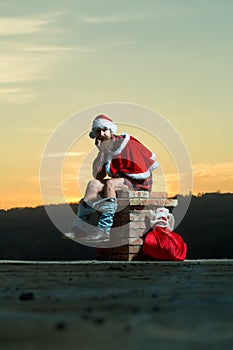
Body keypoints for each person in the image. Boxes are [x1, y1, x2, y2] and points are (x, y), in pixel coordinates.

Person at [67, 114, 159, 243]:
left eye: (104, 129)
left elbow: (141, 171)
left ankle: (104, 230)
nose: (102, 133)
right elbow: (98, 176)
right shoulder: (105, 147)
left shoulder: (126, 143)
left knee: (110, 184)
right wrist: (101, 152)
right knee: (93, 184)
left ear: (111, 130)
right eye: (98, 131)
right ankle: (81, 227)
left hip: (139, 182)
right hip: (121, 181)